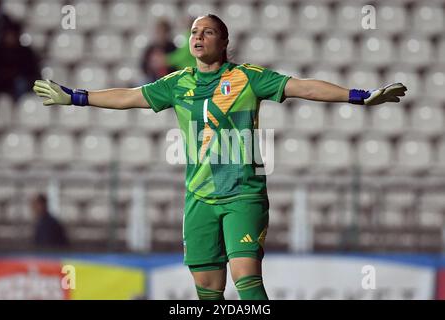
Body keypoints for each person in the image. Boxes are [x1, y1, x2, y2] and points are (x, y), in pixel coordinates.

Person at [32, 14, 406, 300]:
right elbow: (129, 97)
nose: (197, 37)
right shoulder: (176, 84)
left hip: (243, 194)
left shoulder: (248, 77)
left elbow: (303, 87)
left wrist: (359, 95)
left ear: (224, 41)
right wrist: (76, 96)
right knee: (207, 291)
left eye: (207, 31)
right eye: (194, 32)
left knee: (246, 279)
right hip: (199, 199)